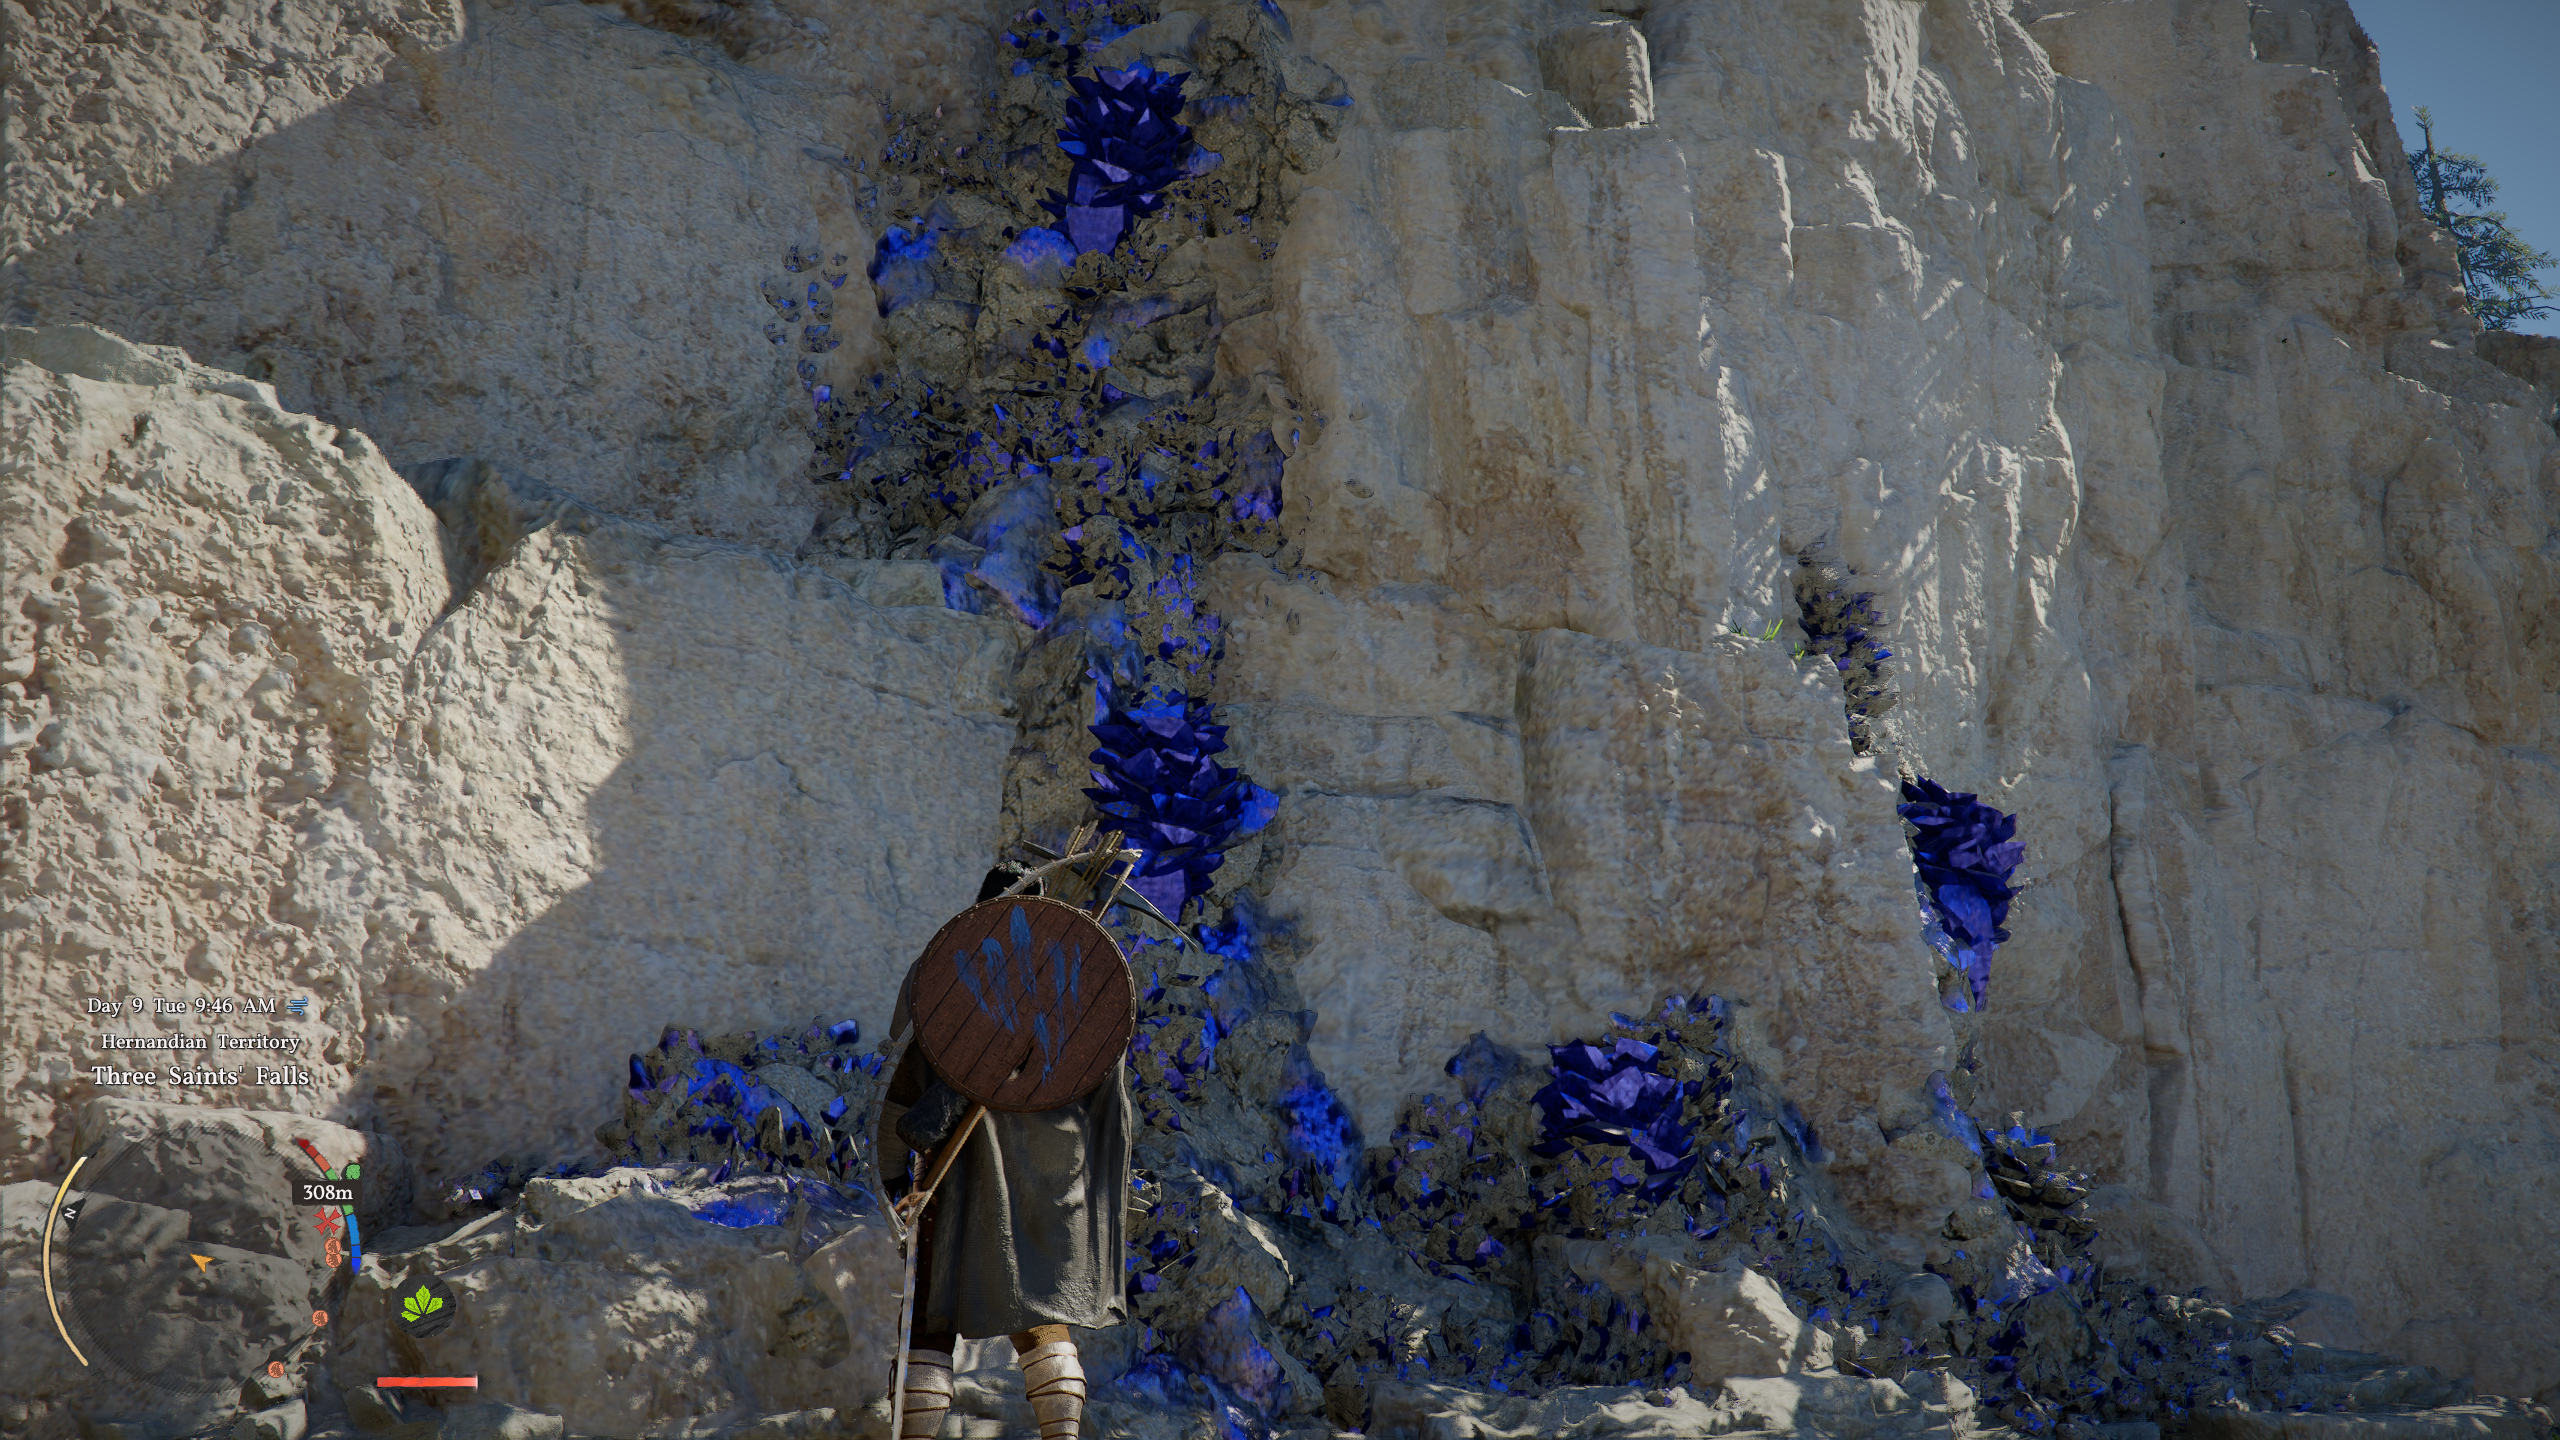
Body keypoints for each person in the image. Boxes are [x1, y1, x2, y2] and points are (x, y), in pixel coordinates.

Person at [879, 861, 1136, 1440]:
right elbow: (1106, 1090)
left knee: (930, 1318)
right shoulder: (1076, 970)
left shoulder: (939, 968)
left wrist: (893, 1177)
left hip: (960, 1165)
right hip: (1057, 1170)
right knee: (1038, 1315)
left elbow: (901, 1082)